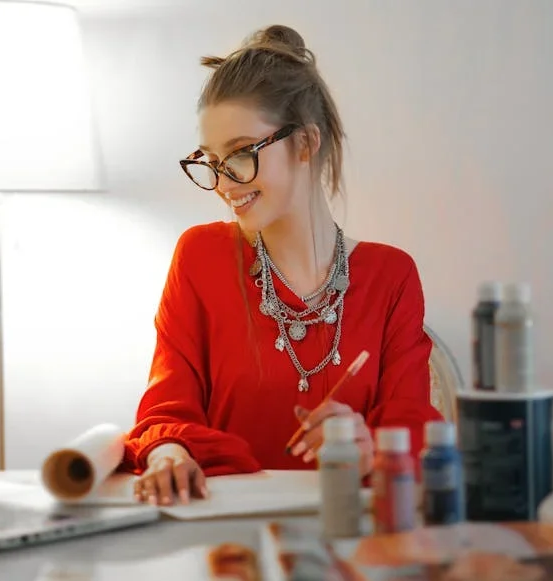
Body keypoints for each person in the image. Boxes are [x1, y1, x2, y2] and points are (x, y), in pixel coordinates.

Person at [119, 24, 443, 506]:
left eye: (242, 153)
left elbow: (413, 424)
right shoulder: (200, 257)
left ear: (306, 144)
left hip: (349, 532)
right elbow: (166, 409)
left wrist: (368, 444)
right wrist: (168, 453)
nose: (225, 184)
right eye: (211, 160)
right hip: (224, 534)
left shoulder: (390, 276)